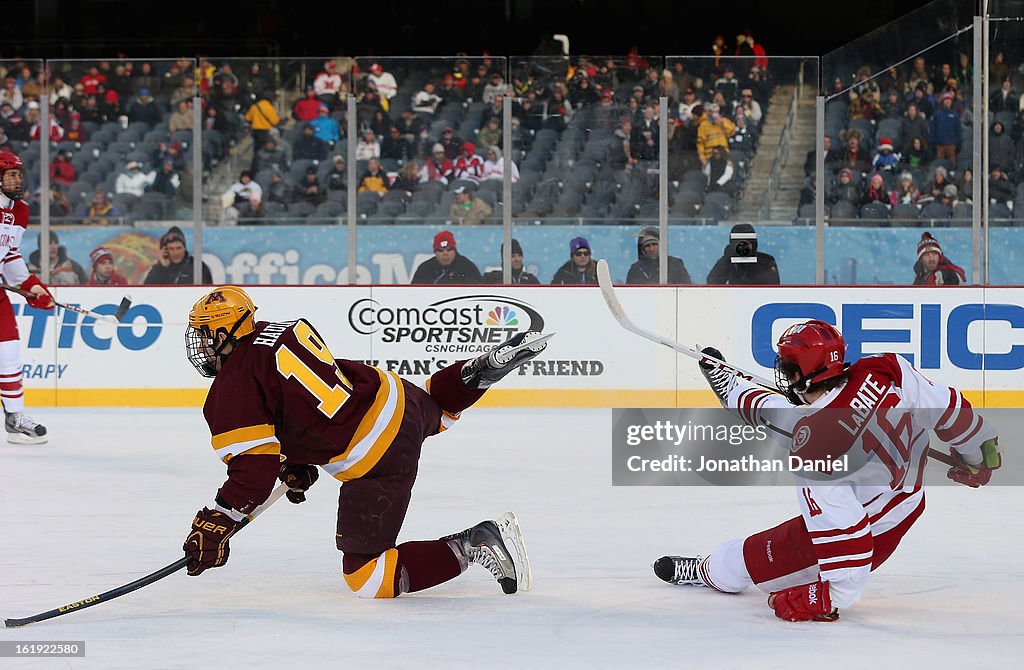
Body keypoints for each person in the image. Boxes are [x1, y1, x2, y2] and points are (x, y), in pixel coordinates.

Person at [180, 287, 547, 597]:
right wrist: (295, 459)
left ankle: (474, 542)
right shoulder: (280, 330)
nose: (202, 347)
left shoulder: (232, 388)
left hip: (377, 455)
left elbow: (252, 475)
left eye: (205, 336)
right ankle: (477, 372)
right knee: (437, 410)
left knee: (367, 576)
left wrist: (218, 521)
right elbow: (300, 403)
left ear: (224, 334)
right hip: (393, 395)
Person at [653, 319, 1001, 622]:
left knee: (748, 558)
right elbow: (946, 407)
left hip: (874, 527)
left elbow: (848, 536)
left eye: (789, 369)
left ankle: (709, 571)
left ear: (809, 373)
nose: (784, 375)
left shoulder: (814, 444)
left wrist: (828, 599)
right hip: (908, 499)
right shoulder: (883, 368)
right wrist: (976, 453)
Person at [0, 151, 54, 443]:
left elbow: (9, 256)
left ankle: (15, 418)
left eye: (19, 174)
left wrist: (31, 285)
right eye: (11, 174)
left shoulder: (20, 210)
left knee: (8, 355)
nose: (17, 179)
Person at [706, 223, 780, 285]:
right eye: (740, 244)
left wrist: (752, 263)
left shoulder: (766, 260)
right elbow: (712, 283)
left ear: (754, 244)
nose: (744, 248)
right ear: (733, 245)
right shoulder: (730, 261)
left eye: (747, 243)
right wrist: (726, 259)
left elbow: (773, 285)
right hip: (734, 298)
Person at [143, 225, 213, 285]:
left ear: (184, 248)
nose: (176, 252)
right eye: (171, 248)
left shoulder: (198, 266)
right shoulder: (158, 269)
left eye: (178, 248)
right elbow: (147, 290)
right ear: (165, 250)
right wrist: (162, 267)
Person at [411, 231, 483, 285]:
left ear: (455, 251)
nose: (445, 253)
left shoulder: (467, 268)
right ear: (435, 252)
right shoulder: (425, 269)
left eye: (449, 249)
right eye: (441, 250)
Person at [626, 227, 692, 285]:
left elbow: (686, 290)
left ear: (661, 245)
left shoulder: (675, 265)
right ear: (642, 249)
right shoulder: (635, 270)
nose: (651, 249)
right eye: (647, 246)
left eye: (654, 244)